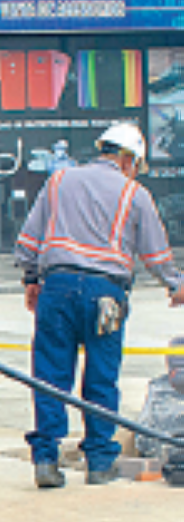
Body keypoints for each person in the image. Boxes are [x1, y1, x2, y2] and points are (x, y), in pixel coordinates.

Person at [15, 121, 184, 488]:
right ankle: (99, 462)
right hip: (106, 294)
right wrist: (176, 284)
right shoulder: (134, 193)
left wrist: (31, 279)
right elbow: (155, 253)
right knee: (102, 376)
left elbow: (28, 241)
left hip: (56, 288)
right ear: (126, 159)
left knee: (49, 374)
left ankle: (46, 457)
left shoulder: (59, 181)